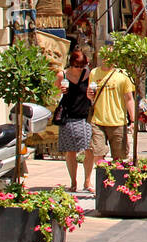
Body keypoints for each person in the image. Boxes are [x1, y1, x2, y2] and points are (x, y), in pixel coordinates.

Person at [84, 50, 135, 189]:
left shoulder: (123, 75)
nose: (106, 59)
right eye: (104, 56)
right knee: (98, 154)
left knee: (119, 157)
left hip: (118, 121)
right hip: (98, 120)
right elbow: (91, 95)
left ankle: (117, 185)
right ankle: (103, 183)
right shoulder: (94, 73)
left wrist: (133, 120)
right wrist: (89, 95)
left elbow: (129, 98)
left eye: (110, 56)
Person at [55, 49, 93, 192]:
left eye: (81, 66)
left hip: (85, 117)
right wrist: (61, 91)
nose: (78, 69)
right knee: (70, 151)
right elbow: (53, 94)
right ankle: (73, 182)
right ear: (71, 63)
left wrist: (91, 95)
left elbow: (93, 93)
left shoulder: (88, 75)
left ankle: (87, 181)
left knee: (89, 149)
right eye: (76, 66)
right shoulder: (62, 75)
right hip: (68, 117)